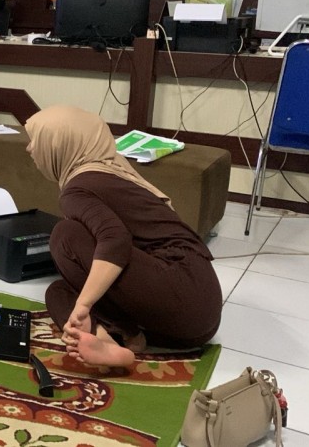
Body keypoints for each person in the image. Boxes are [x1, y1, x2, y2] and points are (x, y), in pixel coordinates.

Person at [24, 106, 221, 367]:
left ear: (59, 144)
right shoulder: (113, 169)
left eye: (36, 140)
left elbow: (115, 240)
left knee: (65, 235)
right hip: (199, 321)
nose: (30, 149)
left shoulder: (78, 188)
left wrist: (84, 305)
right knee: (57, 291)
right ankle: (110, 337)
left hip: (180, 292)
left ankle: (113, 330)